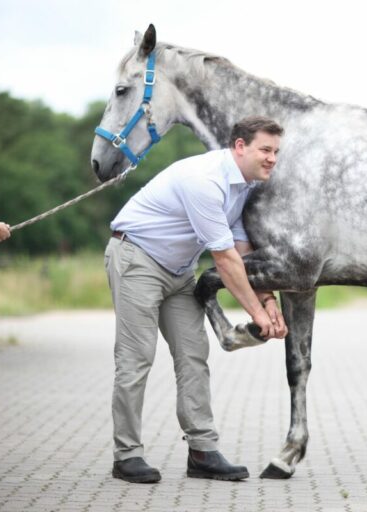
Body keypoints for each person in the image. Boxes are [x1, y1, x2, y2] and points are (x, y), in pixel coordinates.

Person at [104, 116, 288, 483]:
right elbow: (223, 258)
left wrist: (269, 303)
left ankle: (202, 452)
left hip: (178, 271)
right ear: (240, 146)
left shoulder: (243, 185)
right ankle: (127, 456)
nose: (272, 158)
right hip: (137, 258)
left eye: (276, 152)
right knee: (136, 357)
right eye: (265, 149)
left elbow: (241, 249)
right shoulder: (204, 180)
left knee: (193, 356)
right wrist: (255, 312)